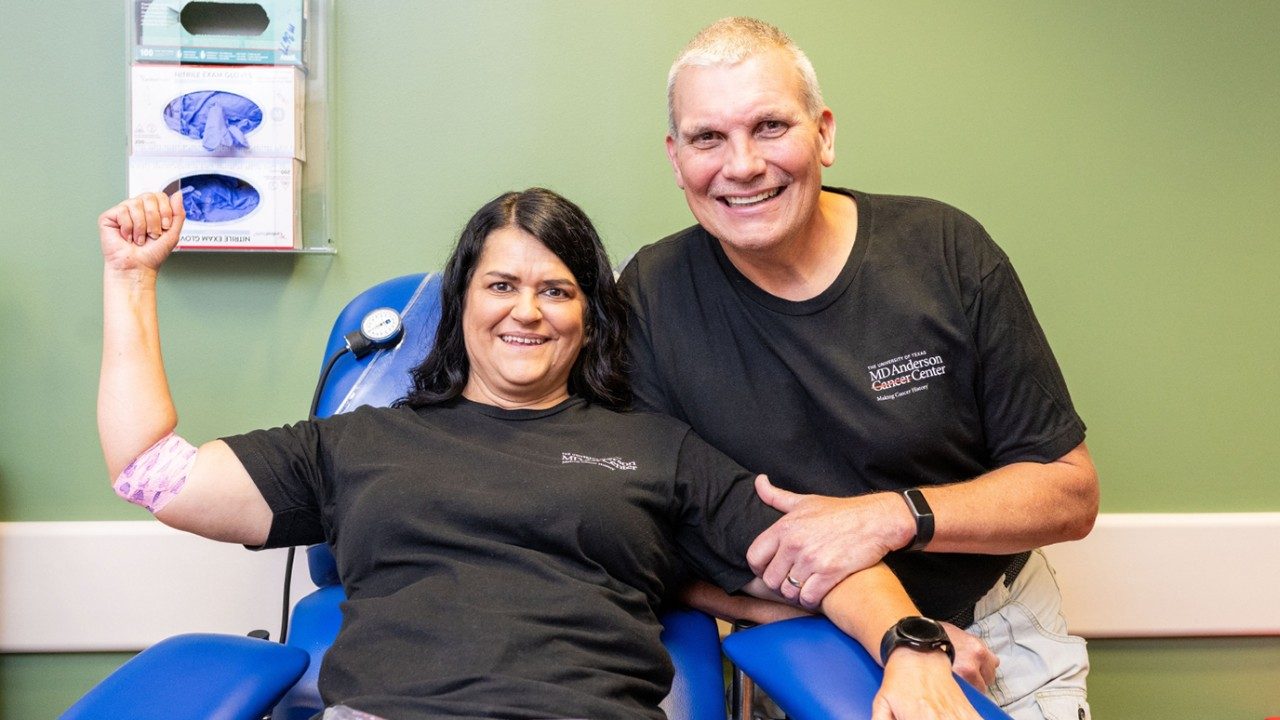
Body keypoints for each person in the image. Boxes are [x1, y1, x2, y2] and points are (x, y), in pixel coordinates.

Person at [98, 188, 985, 720]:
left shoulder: (651, 447)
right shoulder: (361, 442)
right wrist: (132, 282)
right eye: (501, 285)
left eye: (556, 289)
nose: (527, 310)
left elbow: (817, 556)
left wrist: (909, 643)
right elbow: (151, 471)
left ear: (589, 316)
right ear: (461, 306)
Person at [619, 17, 1100, 720]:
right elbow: (651, 543)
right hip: (803, 644)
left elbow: (1070, 493)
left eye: (771, 127)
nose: (743, 164)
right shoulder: (651, 297)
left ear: (825, 134)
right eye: (707, 138)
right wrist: (897, 636)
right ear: (675, 157)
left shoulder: (944, 251)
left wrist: (894, 516)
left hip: (995, 637)